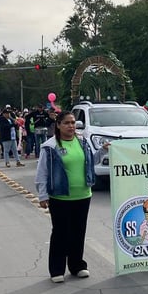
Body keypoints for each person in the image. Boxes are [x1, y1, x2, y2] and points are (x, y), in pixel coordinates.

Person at [35, 110, 107, 283]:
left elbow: (90, 160)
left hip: (83, 195)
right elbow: (42, 172)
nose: (71, 126)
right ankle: (56, 270)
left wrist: (103, 151)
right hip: (60, 198)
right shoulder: (50, 146)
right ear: (58, 125)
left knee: (78, 232)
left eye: (73, 123)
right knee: (60, 233)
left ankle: (77, 266)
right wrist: (43, 195)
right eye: (66, 123)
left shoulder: (82, 142)